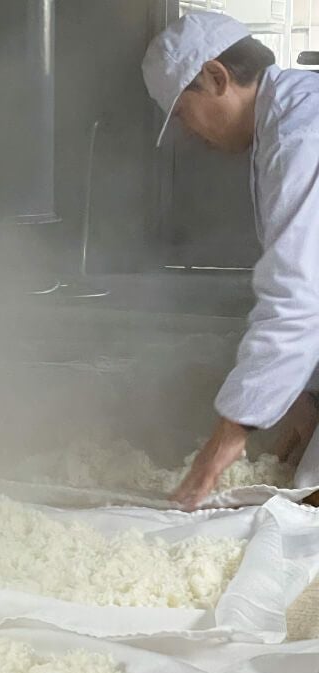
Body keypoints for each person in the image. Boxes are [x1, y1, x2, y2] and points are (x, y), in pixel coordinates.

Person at [142, 12, 319, 509]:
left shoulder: (299, 135)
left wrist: (225, 441)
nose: (188, 131)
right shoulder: (285, 118)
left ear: (217, 77)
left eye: (181, 113)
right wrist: (296, 395)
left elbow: (298, 295)